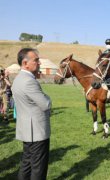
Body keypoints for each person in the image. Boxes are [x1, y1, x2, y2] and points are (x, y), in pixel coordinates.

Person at [12, 48, 52, 180]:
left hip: (27, 129)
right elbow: (46, 104)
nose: (39, 63)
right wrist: (48, 97)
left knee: (27, 164)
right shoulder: (29, 81)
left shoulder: (18, 79)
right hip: (36, 131)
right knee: (38, 169)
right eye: (36, 60)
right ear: (25, 63)